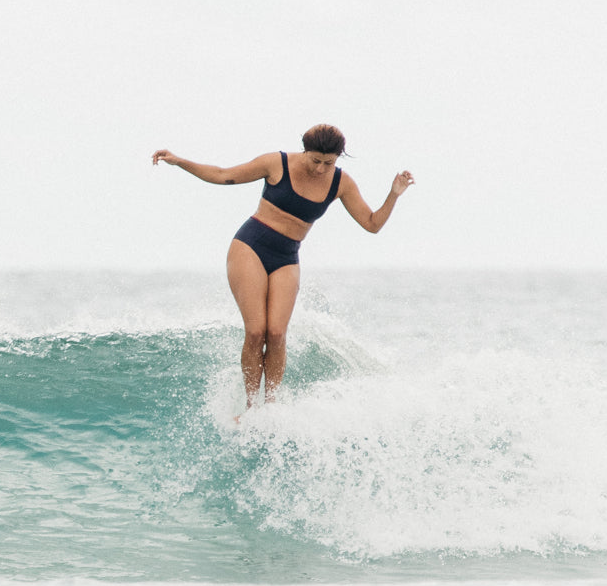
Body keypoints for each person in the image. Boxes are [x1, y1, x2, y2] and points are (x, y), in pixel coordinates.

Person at [151, 124, 413, 407]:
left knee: (276, 333)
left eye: (329, 163)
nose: (321, 169)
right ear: (305, 151)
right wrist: (179, 161)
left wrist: (394, 194)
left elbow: (371, 224)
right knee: (255, 331)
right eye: (315, 161)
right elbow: (222, 175)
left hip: (287, 255)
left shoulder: (341, 183)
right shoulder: (276, 164)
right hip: (250, 246)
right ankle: (251, 405)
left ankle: (270, 405)